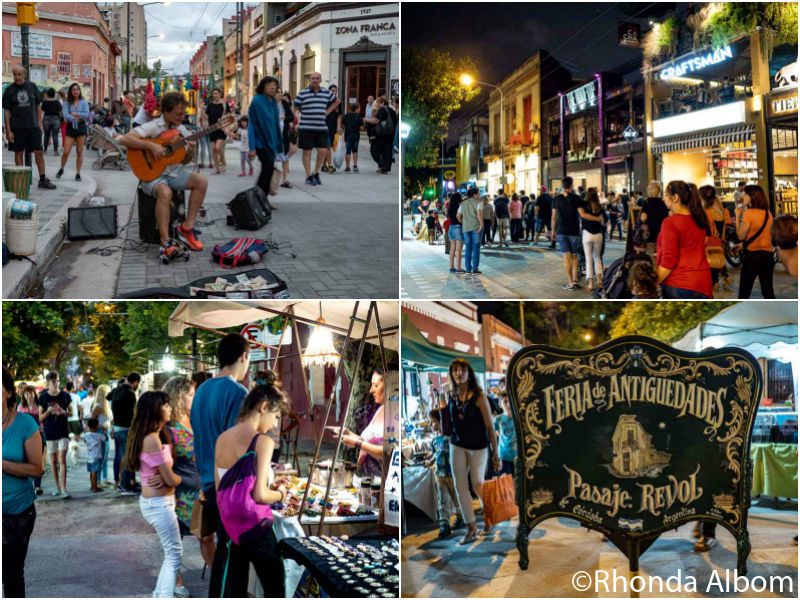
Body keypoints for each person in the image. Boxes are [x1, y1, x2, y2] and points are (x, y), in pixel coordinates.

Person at [213, 383, 289, 598]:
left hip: (228, 527)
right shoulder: (262, 441)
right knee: (274, 587)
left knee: (234, 588)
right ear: (264, 407)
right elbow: (261, 495)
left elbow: (221, 489)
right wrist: (282, 493)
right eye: (275, 416)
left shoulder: (222, 438)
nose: (274, 424)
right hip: (255, 527)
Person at [190, 333, 251, 597]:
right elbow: (236, 447)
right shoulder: (237, 392)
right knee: (232, 556)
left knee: (225, 553)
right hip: (229, 485)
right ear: (244, 357)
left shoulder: (202, 390)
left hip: (207, 481)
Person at [118, 92, 207, 262]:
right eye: (178, 114)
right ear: (166, 111)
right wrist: (151, 146)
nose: (182, 117)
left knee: (201, 181)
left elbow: (184, 159)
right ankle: (166, 242)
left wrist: (192, 149)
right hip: (151, 175)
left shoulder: (181, 131)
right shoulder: (153, 126)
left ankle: (187, 227)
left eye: (183, 113)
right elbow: (125, 139)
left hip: (172, 173)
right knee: (165, 193)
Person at [124, 391, 184, 598]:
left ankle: (160, 594)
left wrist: (171, 478)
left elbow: (166, 477)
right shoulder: (151, 439)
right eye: (165, 405)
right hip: (158, 504)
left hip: (161, 502)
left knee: (172, 554)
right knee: (174, 555)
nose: (169, 408)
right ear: (155, 409)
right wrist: (178, 479)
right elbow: (170, 480)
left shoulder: (157, 435)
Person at [439, 359, 501, 545]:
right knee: (459, 486)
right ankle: (471, 527)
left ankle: (490, 515)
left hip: (479, 447)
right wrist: (442, 406)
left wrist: (495, 454)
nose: (459, 373)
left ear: (469, 373)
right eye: (455, 370)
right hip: (457, 445)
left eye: (462, 370)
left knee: (477, 485)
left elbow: (490, 427)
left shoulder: (479, 396)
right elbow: (446, 427)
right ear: (451, 374)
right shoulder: (450, 395)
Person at [163, 376, 213, 596]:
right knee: (177, 539)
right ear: (178, 396)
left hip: (201, 489)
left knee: (207, 535)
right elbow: (161, 459)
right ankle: (177, 580)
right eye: (191, 394)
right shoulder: (168, 427)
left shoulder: (197, 419)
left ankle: (219, 575)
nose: (195, 397)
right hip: (178, 492)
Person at [3, 365, 45, 598]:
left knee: (10, 575)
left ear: (8, 392)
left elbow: (37, 468)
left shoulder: (25, 424)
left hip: (15, 515)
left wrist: (3, 464)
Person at [2, 65, 57, 190]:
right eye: (15, 75)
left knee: (38, 152)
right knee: (19, 153)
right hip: (17, 128)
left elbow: (38, 105)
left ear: (24, 75)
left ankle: (42, 179)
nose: (17, 77)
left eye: (19, 74)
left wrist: (39, 122)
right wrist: (8, 130)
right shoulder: (9, 90)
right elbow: (6, 111)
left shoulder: (32, 86)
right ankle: (21, 181)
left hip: (32, 127)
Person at [657, 180, 713, 299]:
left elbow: (669, 261)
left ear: (675, 197)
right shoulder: (700, 218)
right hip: (704, 281)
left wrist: (653, 282)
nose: (664, 199)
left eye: (666, 195)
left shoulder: (670, 223)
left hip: (679, 284)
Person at [294, 72, 341, 186]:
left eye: (317, 78)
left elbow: (337, 101)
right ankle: (308, 176)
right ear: (309, 79)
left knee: (323, 151)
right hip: (306, 127)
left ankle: (316, 173)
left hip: (321, 127)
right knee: (307, 152)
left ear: (320, 80)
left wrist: (327, 112)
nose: (315, 80)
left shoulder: (326, 92)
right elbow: (294, 107)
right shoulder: (303, 93)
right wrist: (296, 120)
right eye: (313, 78)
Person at [338, 371, 387, 477]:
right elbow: (369, 441)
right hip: (365, 478)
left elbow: (387, 452)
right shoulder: (381, 409)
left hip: (380, 481)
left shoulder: (393, 414)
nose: (371, 390)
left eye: (376, 385)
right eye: (371, 385)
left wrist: (357, 443)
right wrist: (348, 433)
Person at [426, 408, 463, 539]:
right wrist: (430, 461)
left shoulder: (451, 437)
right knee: (442, 500)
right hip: (440, 475)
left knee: (456, 497)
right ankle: (444, 524)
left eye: (433, 422)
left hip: (452, 473)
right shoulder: (434, 441)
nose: (430, 425)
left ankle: (461, 516)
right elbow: (436, 455)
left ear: (441, 422)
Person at [736, 185, 775, 299]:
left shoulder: (749, 213)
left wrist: (738, 217)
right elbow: (762, 234)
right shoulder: (768, 213)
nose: (743, 196)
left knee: (744, 292)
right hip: (768, 255)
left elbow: (740, 235)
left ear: (752, 196)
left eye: (746, 194)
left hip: (753, 256)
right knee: (768, 292)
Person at [248, 77, 283, 205]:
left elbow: (274, 123)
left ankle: (261, 198)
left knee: (267, 171)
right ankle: (258, 198)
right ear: (263, 86)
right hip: (260, 142)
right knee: (267, 169)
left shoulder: (273, 101)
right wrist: (252, 147)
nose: (273, 87)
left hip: (271, 143)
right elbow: (252, 125)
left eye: (275, 85)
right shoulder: (257, 101)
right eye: (269, 85)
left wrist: (279, 143)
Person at [37, 371, 71, 498]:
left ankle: (63, 488)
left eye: (57, 380)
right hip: (50, 431)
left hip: (63, 430)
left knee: (62, 459)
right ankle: (57, 487)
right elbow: (40, 417)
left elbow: (72, 412)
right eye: (53, 381)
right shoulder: (43, 397)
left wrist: (63, 411)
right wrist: (49, 410)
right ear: (48, 382)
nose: (56, 383)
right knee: (53, 460)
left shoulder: (65, 395)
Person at [111, 372, 141, 495]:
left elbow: (108, 397)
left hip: (117, 427)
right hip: (126, 428)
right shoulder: (130, 393)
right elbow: (134, 413)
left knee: (119, 456)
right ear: (136, 382)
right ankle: (125, 485)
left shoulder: (117, 390)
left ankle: (121, 482)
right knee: (127, 457)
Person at [699, 184, 732, 290]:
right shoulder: (720, 211)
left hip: (709, 243)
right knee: (717, 261)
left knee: (712, 264)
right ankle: (722, 279)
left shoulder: (705, 213)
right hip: (719, 242)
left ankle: (715, 283)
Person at [54, 82, 90, 182]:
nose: (75, 91)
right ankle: (61, 168)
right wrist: (75, 117)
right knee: (66, 152)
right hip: (70, 128)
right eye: (73, 89)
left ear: (79, 91)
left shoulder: (84, 102)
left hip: (81, 128)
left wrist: (75, 114)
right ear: (71, 91)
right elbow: (65, 115)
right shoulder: (66, 103)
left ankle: (78, 173)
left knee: (79, 152)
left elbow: (86, 114)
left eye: (77, 89)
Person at [552, 176, 582, 291]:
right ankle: (575, 281)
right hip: (574, 231)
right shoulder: (577, 198)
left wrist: (553, 231)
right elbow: (581, 214)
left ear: (562, 186)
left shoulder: (556, 199)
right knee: (574, 257)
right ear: (572, 185)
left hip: (561, 231)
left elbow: (553, 217)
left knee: (566, 257)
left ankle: (570, 282)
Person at [17, 385, 44, 495]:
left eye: (31, 393)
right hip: (24, 437)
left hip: (38, 435)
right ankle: (27, 484)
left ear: (34, 394)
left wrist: (42, 427)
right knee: (25, 461)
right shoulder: (21, 407)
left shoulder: (39, 406)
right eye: (27, 394)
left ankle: (37, 486)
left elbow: (42, 421)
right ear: (24, 395)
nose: (29, 396)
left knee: (38, 461)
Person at [578, 187, 605, 291]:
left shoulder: (583, 204)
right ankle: (599, 281)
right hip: (598, 234)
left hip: (587, 234)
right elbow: (603, 221)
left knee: (588, 258)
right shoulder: (600, 206)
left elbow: (582, 215)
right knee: (597, 257)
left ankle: (590, 284)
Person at [364, 96, 394, 174]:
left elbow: (376, 121)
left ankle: (382, 165)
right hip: (390, 134)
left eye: (378, 103)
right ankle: (385, 167)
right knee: (387, 151)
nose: (377, 105)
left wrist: (367, 120)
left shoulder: (382, 109)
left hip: (381, 134)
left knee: (374, 150)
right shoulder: (392, 110)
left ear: (382, 103)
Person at [91, 384, 113, 487]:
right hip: (100, 432)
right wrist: (101, 426)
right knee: (100, 457)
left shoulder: (106, 405)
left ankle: (105, 478)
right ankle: (98, 481)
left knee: (105, 457)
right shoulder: (98, 407)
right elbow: (91, 422)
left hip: (106, 432)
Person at [639, 181, 669, 258]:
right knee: (661, 256)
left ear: (649, 191)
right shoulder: (664, 203)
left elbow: (643, 218)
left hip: (650, 235)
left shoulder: (647, 203)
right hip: (663, 234)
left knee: (651, 257)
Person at [205, 88, 230, 174]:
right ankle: (216, 168)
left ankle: (223, 163)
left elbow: (229, 116)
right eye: (213, 94)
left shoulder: (224, 104)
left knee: (218, 147)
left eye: (216, 93)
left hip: (222, 128)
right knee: (213, 149)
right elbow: (206, 117)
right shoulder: (210, 105)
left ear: (220, 94)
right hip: (212, 129)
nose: (215, 95)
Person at [459, 187, 484, 275]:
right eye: (478, 193)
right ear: (474, 194)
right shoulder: (478, 203)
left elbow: (458, 215)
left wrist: (463, 222)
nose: (479, 195)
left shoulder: (463, 203)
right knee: (476, 248)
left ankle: (468, 269)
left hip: (466, 228)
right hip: (476, 228)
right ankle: (475, 269)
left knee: (468, 248)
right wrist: (481, 224)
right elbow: (479, 214)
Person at [493, 395, 516, 476]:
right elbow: (497, 434)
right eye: (505, 401)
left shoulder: (518, 418)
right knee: (506, 482)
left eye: (510, 400)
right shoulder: (497, 419)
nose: (508, 404)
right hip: (504, 455)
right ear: (500, 404)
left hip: (518, 456)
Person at [322, 84, 343, 173]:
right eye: (332, 91)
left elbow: (339, 115)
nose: (334, 92)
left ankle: (323, 165)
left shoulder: (338, 102)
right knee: (327, 146)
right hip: (324, 126)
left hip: (333, 128)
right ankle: (330, 165)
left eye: (336, 91)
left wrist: (338, 126)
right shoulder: (325, 101)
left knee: (328, 146)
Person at [278, 91, 297, 188]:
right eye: (277, 92)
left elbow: (291, 117)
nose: (279, 94)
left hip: (283, 134)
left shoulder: (284, 103)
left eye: (280, 92)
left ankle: (285, 180)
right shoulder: (268, 104)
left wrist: (284, 117)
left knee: (285, 157)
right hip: (271, 135)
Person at [83, 418, 104, 493]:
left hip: (89, 457)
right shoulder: (99, 435)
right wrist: (103, 430)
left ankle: (92, 486)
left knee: (91, 472)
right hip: (97, 456)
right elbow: (105, 439)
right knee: (95, 472)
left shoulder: (85, 435)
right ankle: (95, 487)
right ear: (97, 426)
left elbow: (84, 440)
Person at [343, 102, 363, 172]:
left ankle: (347, 167)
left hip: (347, 135)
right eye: (359, 108)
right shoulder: (358, 117)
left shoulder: (346, 115)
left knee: (348, 151)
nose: (360, 109)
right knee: (355, 151)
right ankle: (355, 165)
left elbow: (343, 124)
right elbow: (361, 127)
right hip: (355, 136)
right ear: (356, 109)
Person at [41, 88, 62, 156]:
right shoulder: (57, 102)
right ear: (54, 94)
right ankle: (55, 151)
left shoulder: (45, 101)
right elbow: (60, 110)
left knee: (46, 136)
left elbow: (42, 109)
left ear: (48, 94)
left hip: (46, 119)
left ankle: (45, 151)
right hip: (56, 119)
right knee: (55, 136)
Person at [447, 192, 465, 273]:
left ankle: (451, 266)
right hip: (458, 228)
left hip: (451, 228)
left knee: (452, 248)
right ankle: (458, 267)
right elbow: (459, 217)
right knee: (458, 249)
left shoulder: (449, 207)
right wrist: (462, 223)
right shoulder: (459, 207)